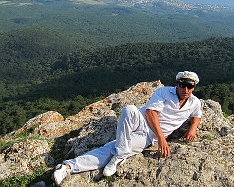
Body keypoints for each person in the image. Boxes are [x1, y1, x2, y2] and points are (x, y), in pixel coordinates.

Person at [53, 71, 202, 185]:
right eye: (182, 85)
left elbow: (197, 115)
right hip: (142, 120)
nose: (186, 89)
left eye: (190, 86)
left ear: (194, 88)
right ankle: (121, 154)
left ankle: (67, 167)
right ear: (177, 84)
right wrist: (162, 138)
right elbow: (151, 112)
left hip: (149, 136)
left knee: (112, 148)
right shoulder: (163, 92)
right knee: (128, 109)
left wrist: (193, 128)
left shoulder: (194, 103)